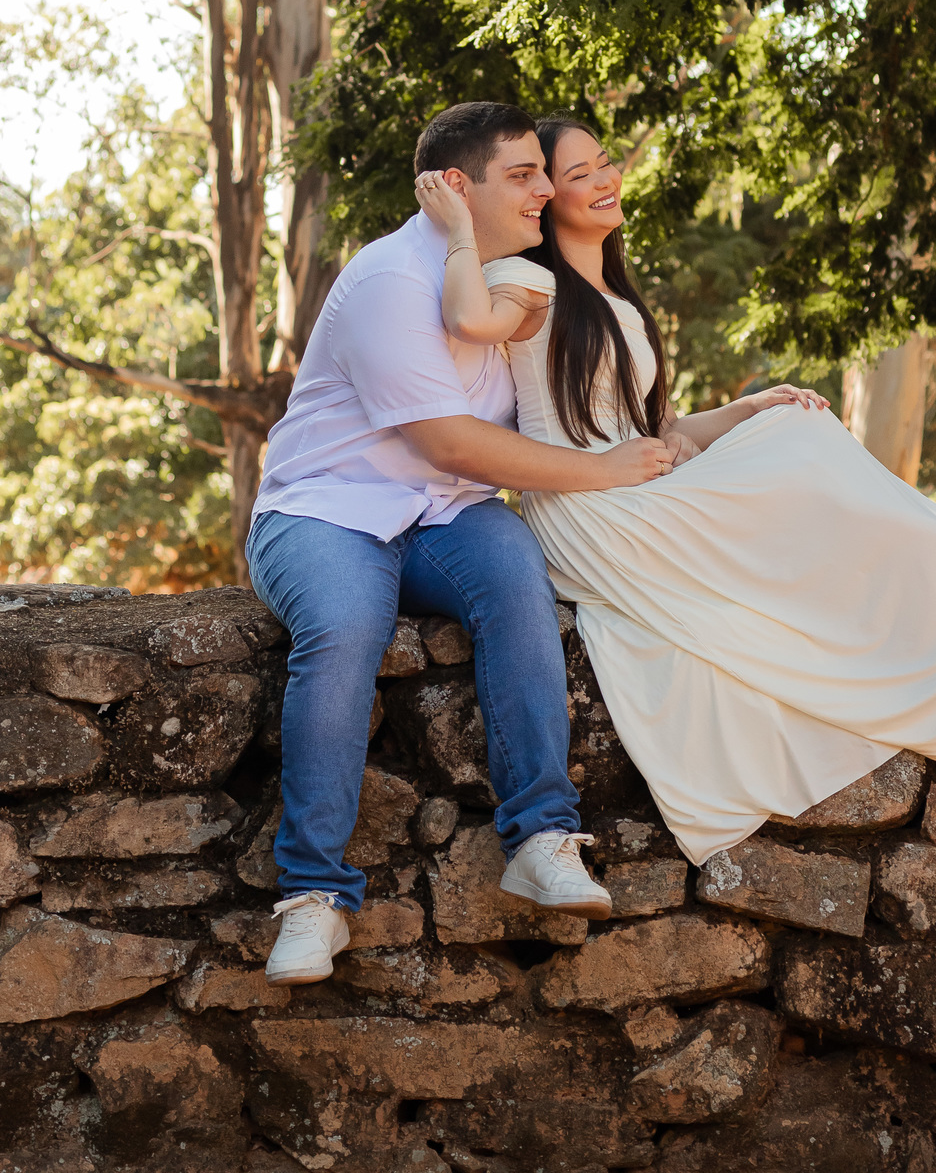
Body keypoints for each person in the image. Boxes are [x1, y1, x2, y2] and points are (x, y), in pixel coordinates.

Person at [415, 113, 936, 866]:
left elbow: (654, 423)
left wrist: (749, 407)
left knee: (794, 427)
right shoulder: (529, 282)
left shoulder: (614, 291)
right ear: (547, 196)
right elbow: (466, 317)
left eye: (604, 164)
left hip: (637, 482)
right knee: (799, 458)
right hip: (589, 507)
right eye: (578, 173)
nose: (603, 180)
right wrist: (461, 230)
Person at [247, 102, 673, 987]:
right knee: (345, 626)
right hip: (329, 512)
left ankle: (543, 839)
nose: (546, 190)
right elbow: (448, 440)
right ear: (454, 185)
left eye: (543, 174)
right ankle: (311, 897)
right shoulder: (388, 281)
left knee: (518, 577)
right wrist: (610, 475)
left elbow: (586, 407)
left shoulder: (517, 281)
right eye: (522, 175)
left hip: (445, 517)